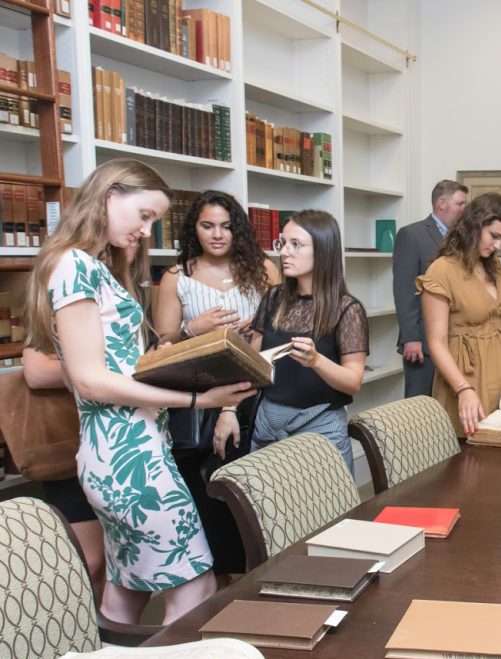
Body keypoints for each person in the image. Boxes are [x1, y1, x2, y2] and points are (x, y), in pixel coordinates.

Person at [24, 158, 254, 625]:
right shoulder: (75, 266)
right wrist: (197, 399)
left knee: (124, 592)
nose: (147, 231)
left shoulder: (90, 266)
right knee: (198, 586)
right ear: (111, 196)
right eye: (144, 215)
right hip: (130, 459)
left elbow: (96, 368)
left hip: (123, 451)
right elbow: (89, 379)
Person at [154, 190, 279, 579]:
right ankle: (223, 577)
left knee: (261, 490)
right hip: (204, 397)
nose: (217, 234)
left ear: (238, 229)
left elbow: (280, 329)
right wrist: (197, 329)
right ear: (194, 229)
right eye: (207, 226)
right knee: (212, 493)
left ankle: (262, 572)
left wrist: (257, 329)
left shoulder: (264, 270)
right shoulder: (178, 278)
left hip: (258, 392)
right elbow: (163, 347)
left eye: (226, 226)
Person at [419, 193, 501, 436]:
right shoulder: (442, 270)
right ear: (474, 226)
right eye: (494, 236)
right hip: (464, 375)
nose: (497, 246)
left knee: (500, 447)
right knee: (467, 458)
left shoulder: (492, 265)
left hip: (499, 369)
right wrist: (463, 389)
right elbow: (436, 343)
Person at [248, 209, 368, 472]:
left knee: (328, 510)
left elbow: (352, 382)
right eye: (283, 243)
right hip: (268, 425)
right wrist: (227, 411)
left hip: (321, 428)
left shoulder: (347, 309)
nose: (284, 252)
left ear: (323, 250)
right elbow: (252, 363)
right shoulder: (273, 298)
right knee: (268, 511)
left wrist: (316, 361)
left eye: (296, 245)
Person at [21, 346, 105, 600]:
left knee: (108, 560)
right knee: (89, 560)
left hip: (108, 442)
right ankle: (82, 630)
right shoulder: (54, 307)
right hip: (69, 444)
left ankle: (98, 629)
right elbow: (36, 373)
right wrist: (105, 370)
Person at [393, 180, 468, 398]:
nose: (465, 210)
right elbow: (404, 289)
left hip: (452, 339)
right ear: (442, 203)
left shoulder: (461, 239)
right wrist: (411, 337)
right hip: (421, 342)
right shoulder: (412, 235)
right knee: (419, 406)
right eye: (460, 204)